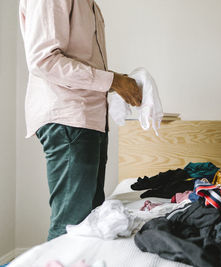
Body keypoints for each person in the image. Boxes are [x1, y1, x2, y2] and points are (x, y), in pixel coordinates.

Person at [19, 0, 142, 240]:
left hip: (88, 119)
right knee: (71, 229)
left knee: (89, 226)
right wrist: (113, 81)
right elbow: (44, 61)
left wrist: (115, 83)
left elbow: (80, 60)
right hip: (70, 120)